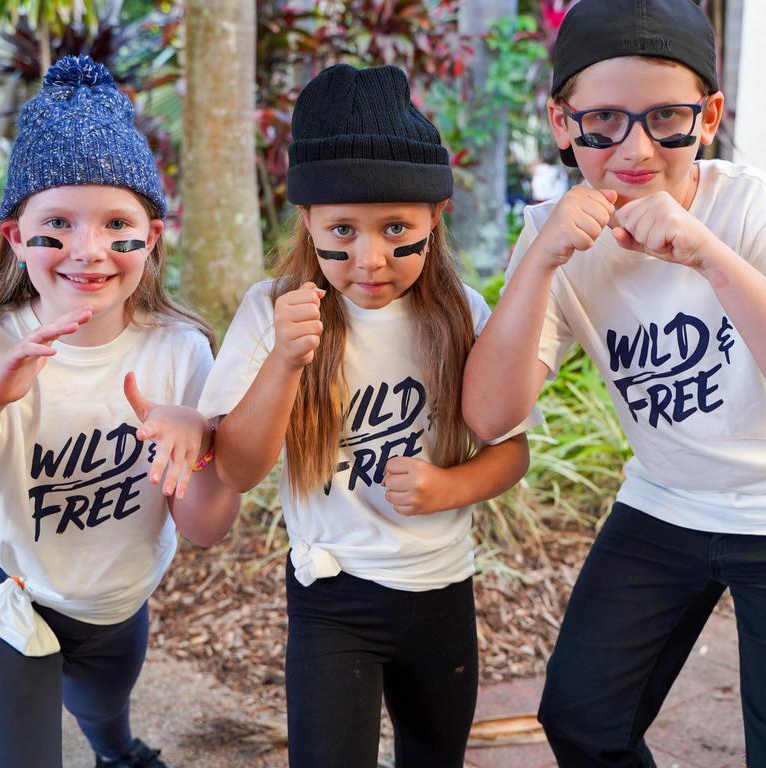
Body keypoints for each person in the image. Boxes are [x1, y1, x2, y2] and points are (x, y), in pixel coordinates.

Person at [462, 0, 766, 765]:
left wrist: (706, 254)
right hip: (672, 498)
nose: (636, 148)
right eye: (603, 122)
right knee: (583, 720)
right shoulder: (555, 238)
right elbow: (492, 416)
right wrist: (538, 263)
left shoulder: (751, 207)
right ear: (562, 124)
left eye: (666, 118)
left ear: (709, 116)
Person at [0, 55, 239, 768]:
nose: (90, 251)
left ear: (153, 235)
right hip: (1, 600)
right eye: (59, 224)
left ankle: (119, 752)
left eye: (118, 223)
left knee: (103, 713)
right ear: (17, 237)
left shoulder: (181, 352)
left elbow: (205, 528)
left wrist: (197, 440)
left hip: (114, 611)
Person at [199, 63, 536, 768]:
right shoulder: (274, 310)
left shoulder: (459, 315)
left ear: (435, 217)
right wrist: (285, 362)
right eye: (342, 231)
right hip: (333, 599)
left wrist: (452, 488)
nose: (370, 258)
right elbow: (237, 466)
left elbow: (512, 450)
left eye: (395, 229)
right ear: (309, 221)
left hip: (442, 589)